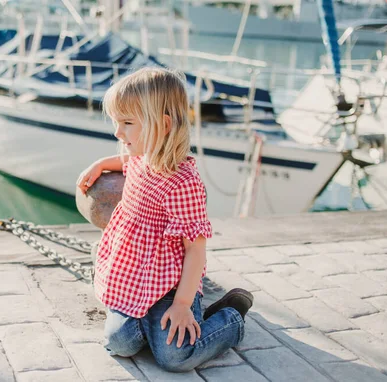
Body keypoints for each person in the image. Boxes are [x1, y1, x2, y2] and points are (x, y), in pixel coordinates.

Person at [77, 67, 254, 372]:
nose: (118, 133)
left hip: (169, 285)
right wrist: (100, 163)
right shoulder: (142, 156)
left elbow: (195, 250)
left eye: (127, 123)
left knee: (175, 357)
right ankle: (149, 323)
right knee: (120, 342)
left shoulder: (182, 183)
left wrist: (183, 304)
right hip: (132, 276)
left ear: (164, 125)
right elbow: (126, 160)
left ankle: (230, 317)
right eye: (118, 122)